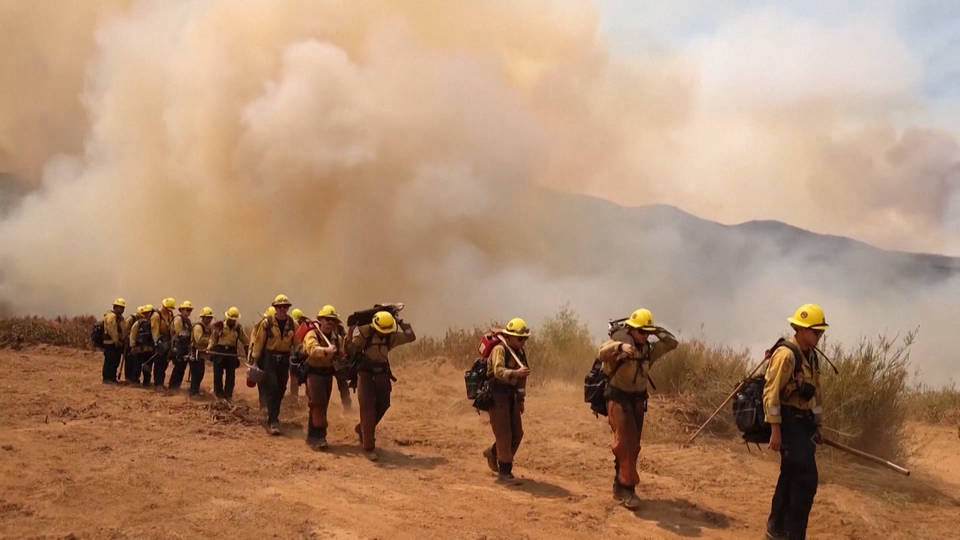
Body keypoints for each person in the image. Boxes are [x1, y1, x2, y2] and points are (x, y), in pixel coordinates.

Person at [596, 308, 678, 509]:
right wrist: (620, 346)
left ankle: (619, 484)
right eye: (642, 332)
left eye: (647, 332)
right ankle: (627, 490)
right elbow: (601, 352)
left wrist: (656, 330)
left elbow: (672, 343)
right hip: (617, 399)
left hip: (638, 402)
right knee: (625, 444)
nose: (645, 336)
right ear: (631, 330)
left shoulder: (648, 350)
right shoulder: (620, 346)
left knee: (632, 445)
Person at [764, 304, 828, 540]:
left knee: (790, 476)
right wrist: (775, 430)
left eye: (821, 333)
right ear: (800, 329)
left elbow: (817, 395)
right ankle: (794, 534)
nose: (819, 336)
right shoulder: (786, 355)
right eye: (816, 332)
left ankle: (776, 529)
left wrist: (818, 424)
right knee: (806, 481)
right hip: (789, 424)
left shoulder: (811, 357)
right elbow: (770, 395)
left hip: (805, 425)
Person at [347, 310, 416, 461]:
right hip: (365, 373)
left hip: (382, 374)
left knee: (384, 403)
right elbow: (351, 349)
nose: (383, 334)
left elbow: (411, 336)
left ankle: (363, 429)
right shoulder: (365, 333)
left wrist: (400, 320)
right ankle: (368, 447)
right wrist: (351, 332)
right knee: (367, 408)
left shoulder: (390, 336)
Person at [481, 318, 532, 482]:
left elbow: (523, 378)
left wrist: (521, 399)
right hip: (497, 395)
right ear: (509, 337)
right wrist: (516, 374)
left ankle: (494, 453)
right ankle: (505, 471)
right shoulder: (499, 349)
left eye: (525, 339)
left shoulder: (520, 353)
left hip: (512, 396)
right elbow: (498, 371)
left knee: (517, 433)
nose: (523, 342)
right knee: (504, 435)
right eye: (520, 338)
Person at [251, 294, 298, 435]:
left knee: (281, 388)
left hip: (284, 359)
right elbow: (259, 342)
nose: (282, 309)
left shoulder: (292, 324)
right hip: (269, 358)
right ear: (275, 308)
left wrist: (302, 353)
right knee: (272, 387)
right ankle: (273, 421)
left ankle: (273, 414)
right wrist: (255, 360)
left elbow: (297, 342)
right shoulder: (267, 323)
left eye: (285, 307)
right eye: (279, 307)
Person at [301, 305, 344, 448]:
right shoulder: (312, 334)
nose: (330, 323)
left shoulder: (336, 338)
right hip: (314, 373)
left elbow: (341, 355)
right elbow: (312, 349)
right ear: (320, 320)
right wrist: (326, 350)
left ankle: (314, 436)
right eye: (327, 319)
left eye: (333, 320)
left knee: (321, 405)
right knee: (317, 403)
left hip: (327, 374)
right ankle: (318, 437)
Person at [207, 306, 248, 400]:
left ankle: (228, 394)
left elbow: (244, 339)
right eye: (231, 319)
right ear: (227, 317)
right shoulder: (220, 326)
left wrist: (247, 348)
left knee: (231, 375)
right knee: (218, 374)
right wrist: (209, 347)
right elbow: (213, 338)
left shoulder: (238, 328)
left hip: (231, 352)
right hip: (219, 351)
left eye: (234, 320)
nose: (232, 321)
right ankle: (218, 394)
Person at [148, 297, 176, 389]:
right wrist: (157, 342)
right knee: (158, 363)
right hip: (159, 341)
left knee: (164, 363)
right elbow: (154, 330)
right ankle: (157, 383)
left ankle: (161, 382)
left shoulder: (170, 315)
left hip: (167, 342)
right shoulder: (156, 316)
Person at [167, 300, 194, 391]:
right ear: (181, 310)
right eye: (186, 310)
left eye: (189, 310)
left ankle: (176, 386)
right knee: (178, 367)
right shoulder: (178, 319)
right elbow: (179, 333)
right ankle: (172, 387)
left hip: (184, 347)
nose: (188, 312)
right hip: (177, 347)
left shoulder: (188, 321)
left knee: (182, 367)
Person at [189, 306, 215, 396]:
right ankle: (193, 393)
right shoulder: (198, 327)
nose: (209, 319)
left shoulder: (208, 327)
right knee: (196, 374)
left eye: (210, 318)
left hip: (201, 355)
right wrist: (211, 340)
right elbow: (199, 340)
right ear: (203, 317)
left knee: (200, 373)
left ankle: (195, 391)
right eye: (207, 318)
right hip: (195, 353)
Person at [101, 298, 128, 384]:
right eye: (120, 307)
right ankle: (107, 378)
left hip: (117, 343)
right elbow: (112, 330)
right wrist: (116, 341)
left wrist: (123, 340)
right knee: (110, 361)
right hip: (110, 343)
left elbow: (123, 330)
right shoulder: (111, 317)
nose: (122, 309)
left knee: (115, 361)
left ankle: (112, 378)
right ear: (115, 307)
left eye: (123, 307)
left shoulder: (120, 318)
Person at [127, 305, 156, 385]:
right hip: (141, 349)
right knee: (138, 366)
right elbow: (132, 335)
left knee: (146, 366)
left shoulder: (147, 323)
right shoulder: (139, 323)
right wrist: (132, 346)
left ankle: (144, 381)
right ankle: (136, 381)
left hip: (146, 349)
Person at [288, 307, 311, 404]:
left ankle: (300, 398)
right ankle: (295, 399)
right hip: (298, 356)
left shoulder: (304, 328)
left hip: (302, 355)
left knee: (304, 378)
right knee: (296, 378)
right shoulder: (305, 327)